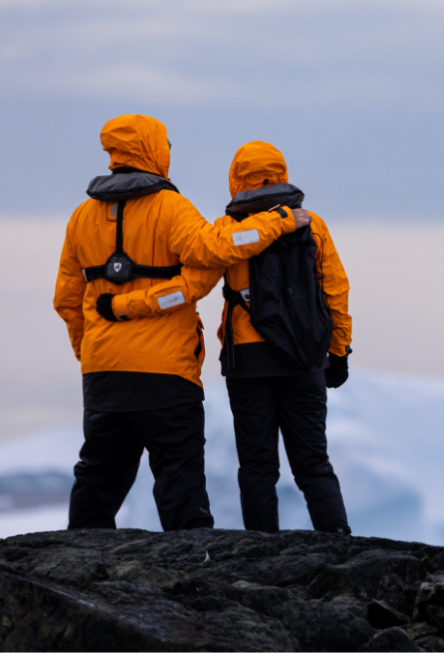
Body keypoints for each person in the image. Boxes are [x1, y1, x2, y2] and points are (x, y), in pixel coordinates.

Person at [53, 114, 311, 531]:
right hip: (165, 372)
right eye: (166, 144)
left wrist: (90, 353)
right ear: (154, 149)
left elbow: (66, 300)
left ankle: (74, 576)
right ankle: (192, 579)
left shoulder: (81, 216)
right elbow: (216, 248)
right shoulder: (170, 207)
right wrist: (279, 220)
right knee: (180, 482)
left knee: (97, 480)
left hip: (103, 373)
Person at [214, 141, 353, 534]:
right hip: (304, 356)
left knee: (257, 467)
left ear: (236, 178)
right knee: (313, 463)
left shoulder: (228, 229)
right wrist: (338, 350)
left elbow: (199, 276)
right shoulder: (312, 224)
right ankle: (338, 542)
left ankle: (261, 550)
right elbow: (335, 290)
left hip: (248, 361)